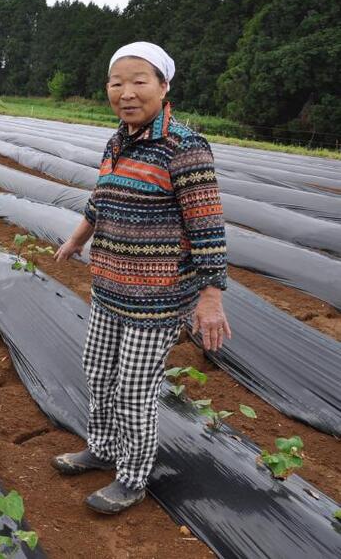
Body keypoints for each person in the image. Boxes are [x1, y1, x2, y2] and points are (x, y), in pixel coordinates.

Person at [51, 41, 230, 514]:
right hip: (108, 288)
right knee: (97, 372)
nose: (126, 92)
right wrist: (76, 240)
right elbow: (100, 201)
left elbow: (207, 225)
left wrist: (211, 295)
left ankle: (132, 477)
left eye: (139, 82)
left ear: (164, 86)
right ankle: (103, 447)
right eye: (116, 82)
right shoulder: (117, 141)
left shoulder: (185, 148)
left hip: (158, 300)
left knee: (134, 389)